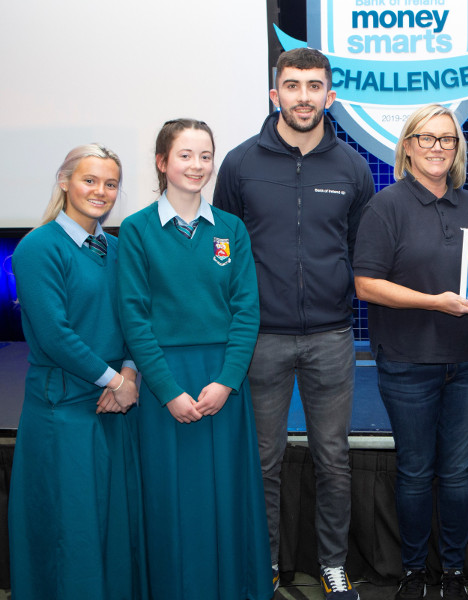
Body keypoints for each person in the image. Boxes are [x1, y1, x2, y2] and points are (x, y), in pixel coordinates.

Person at [213, 47, 374, 600]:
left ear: (330, 97)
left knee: (334, 458)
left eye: (314, 86)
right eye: (292, 85)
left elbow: (359, 250)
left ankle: (333, 565)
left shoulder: (353, 168)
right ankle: (267, 567)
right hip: (261, 338)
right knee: (263, 460)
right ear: (275, 93)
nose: (303, 96)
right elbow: (225, 250)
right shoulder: (238, 164)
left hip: (331, 337)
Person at [117, 119, 272, 599]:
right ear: (162, 163)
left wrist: (227, 381)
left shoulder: (231, 229)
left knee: (226, 497)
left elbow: (247, 312)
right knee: (170, 500)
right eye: (185, 155)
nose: (197, 165)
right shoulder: (137, 230)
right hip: (168, 383)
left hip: (223, 382)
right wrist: (167, 392)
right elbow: (134, 318)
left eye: (205, 156)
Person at [353, 104, 468, 600]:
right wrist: (433, 303)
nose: (438, 147)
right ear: (408, 146)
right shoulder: (385, 206)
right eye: (427, 138)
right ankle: (415, 572)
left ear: (457, 149)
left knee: (457, 472)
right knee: (416, 472)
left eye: (447, 139)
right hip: (408, 360)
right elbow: (367, 285)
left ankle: (453, 573)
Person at [9, 144, 145, 599]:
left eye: (110, 184)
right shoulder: (38, 247)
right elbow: (54, 334)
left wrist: (129, 371)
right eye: (89, 180)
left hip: (114, 407)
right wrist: (114, 382)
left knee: (110, 525)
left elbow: (135, 318)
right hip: (63, 409)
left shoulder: (117, 247)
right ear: (65, 181)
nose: (100, 192)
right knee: (71, 529)